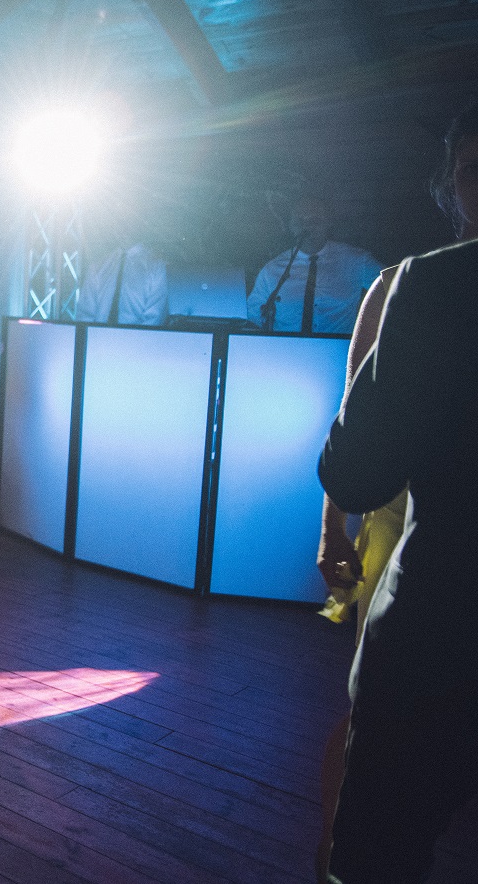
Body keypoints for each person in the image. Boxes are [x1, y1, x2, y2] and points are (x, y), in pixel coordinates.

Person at [315, 106, 478, 882]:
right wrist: (332, 530)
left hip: (440, 610)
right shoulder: (397, 284)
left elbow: (355, 459)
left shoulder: (431, 284)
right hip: (401, 536)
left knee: (382, 842)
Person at [248, 193, 381, 333]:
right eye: (300, 221)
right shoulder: (273, 269)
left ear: (328, 223)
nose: (307, 226)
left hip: (338, 346)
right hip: (285, 346)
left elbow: (392, 289)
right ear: (291, 226)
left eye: (315, 220)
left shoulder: (356, 261)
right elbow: (253, 317)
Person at [75, 239, 169, 325]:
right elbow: (85, 314)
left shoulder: (155, 266)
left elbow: (155, 317)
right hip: (97, 336)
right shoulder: (97, 267)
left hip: (139, 337)